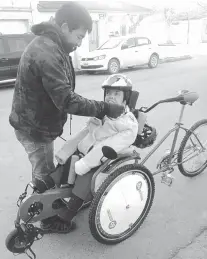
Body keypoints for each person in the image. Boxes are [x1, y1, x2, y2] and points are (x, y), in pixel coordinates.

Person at [9, 2, 125, 182]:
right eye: (78, 37)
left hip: (36, 123)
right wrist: (105, 108)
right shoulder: (47, 52)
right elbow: (67, 100)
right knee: (45, 174)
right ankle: (39, 208)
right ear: (64, 27)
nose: (79, 43)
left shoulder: (52, 44)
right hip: (34, 129)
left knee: (44, 168)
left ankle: (40, 200)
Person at [38, 74, 139, 234]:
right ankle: (45, 185)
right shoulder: (103, 113)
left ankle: (65, 218)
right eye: (108, 93)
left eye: (116, 94)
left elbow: (109, 145)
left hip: (102, 158)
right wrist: (68, 149)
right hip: (86, 150)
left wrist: (85, 164)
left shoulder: (128, 124)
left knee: (85, 180)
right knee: (65, 165)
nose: (111, 97)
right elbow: (85, 132)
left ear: (125, 98)